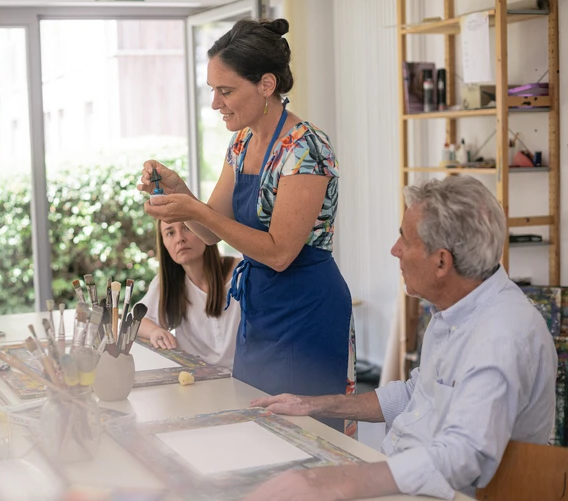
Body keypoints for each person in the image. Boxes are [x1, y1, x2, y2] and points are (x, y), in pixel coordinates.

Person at [246, 176, 558, 501]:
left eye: (404, 240)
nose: (394, 250)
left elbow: (465, 456)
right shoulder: (456, 308)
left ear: (441, 262)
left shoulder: (501, 336)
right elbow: (416, 395)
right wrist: (315, 404)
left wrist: (343, 481)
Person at [138, 18, 354, 431]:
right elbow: (209, 233)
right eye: (212, 90)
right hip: (259, 310)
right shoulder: (241, 143)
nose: (215, 103)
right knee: (254, 426)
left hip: (306, 312)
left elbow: (279, 253)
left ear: (266, 85)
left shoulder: (307, 148)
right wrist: (180, 192)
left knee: (305, 436)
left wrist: (195, 210)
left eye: (226, 90)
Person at [137, 220, 241, 368]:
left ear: (205, 230)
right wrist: (155, 331)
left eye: (187, 228)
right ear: (164, 243)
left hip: (245, 377)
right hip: (195, 377)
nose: (180, 238)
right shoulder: (167, 282)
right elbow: (136, 320)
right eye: (170, 233)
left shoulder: (242, 273)